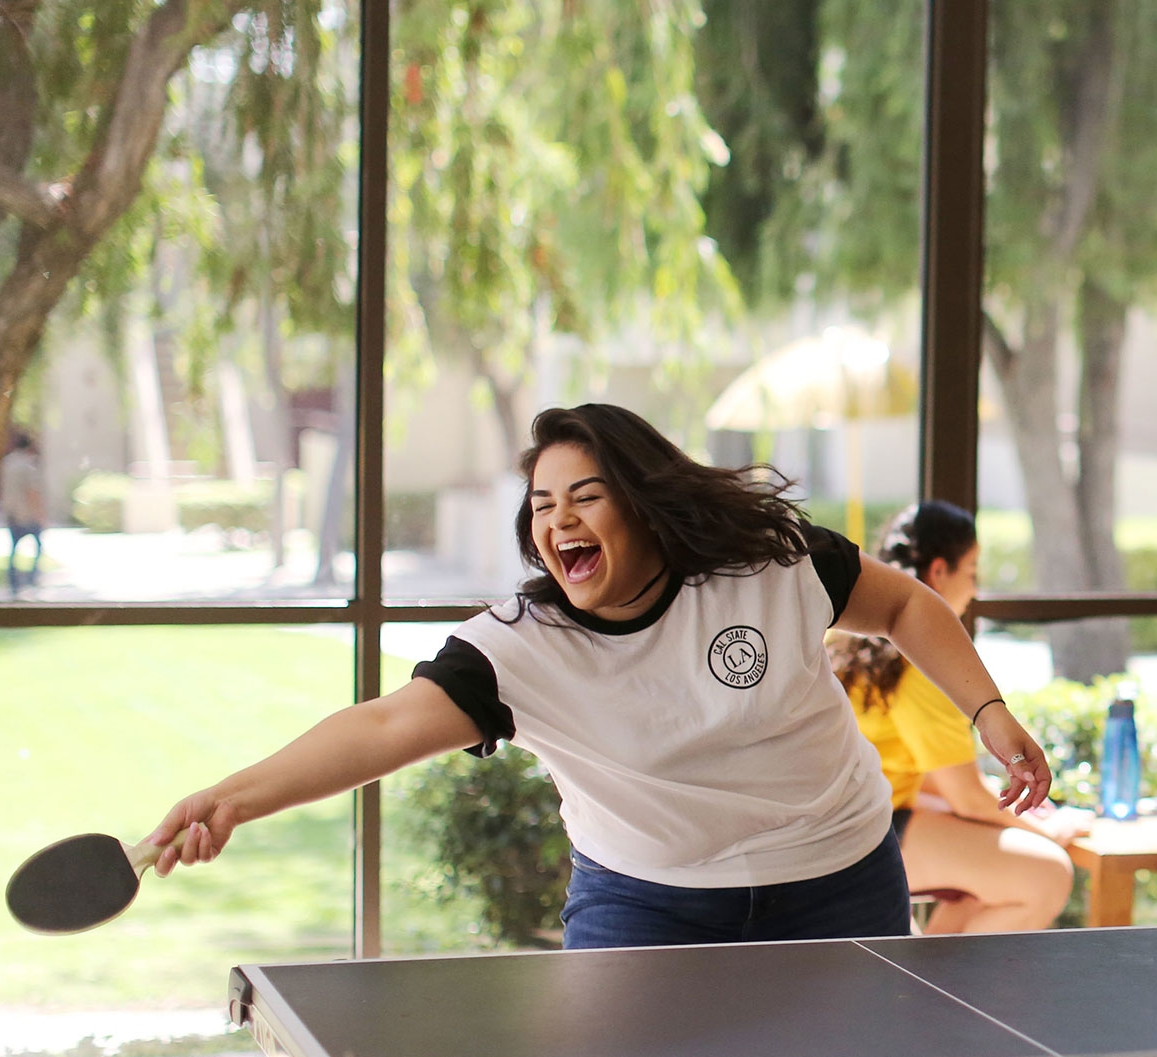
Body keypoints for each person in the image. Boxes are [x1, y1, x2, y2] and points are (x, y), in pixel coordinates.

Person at [148, 404, 1051, 949]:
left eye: (585, 496)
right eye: (542, 505)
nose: (559, 520)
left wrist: (988, 711)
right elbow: (383, 728)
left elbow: (901, 607)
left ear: (647, 504)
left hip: (838, 879)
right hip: (648, 903)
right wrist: (231, 798)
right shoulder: (518, 650)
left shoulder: (769, 566)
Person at [830, 500, 1077, 935]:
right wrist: (1051, 827)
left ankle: (929, 992)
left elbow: (927, 779)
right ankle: (940, 998)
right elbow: (966, 798)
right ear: (939, 571)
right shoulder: (922, 664)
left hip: (844, 820)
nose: (975, 589)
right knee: (1046, 874)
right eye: (973, 572)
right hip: (862, 832)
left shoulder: (848, 641)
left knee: (984, 873)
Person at [0, 430, 45, 597]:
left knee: (14, 548)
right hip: (26, 514)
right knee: (38, 546)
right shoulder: (27, 465)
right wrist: (39, 514)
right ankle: (31, 579)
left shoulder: (7, 463)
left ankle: (13, 582)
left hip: (11, 512)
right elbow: (32, 492)